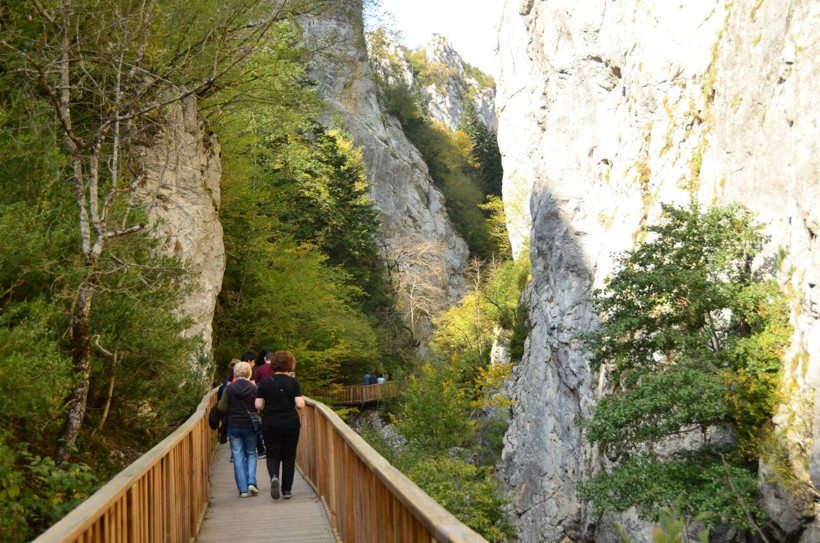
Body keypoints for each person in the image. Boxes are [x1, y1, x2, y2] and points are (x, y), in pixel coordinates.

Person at [255, 350, 304, 500]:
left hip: (271, 422)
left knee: (272, 453)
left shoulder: (265, 383)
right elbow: (300, 404)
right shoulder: (293, 382)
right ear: (290, 364)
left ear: (274, 364)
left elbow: (258, 404)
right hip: (290, 423)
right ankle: (287, 490)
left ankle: (274, 477)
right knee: (289, 456)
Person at [217, 361, 259, 498]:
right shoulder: (254, 389)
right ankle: (251, 482)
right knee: (252, 453)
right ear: (249, 373)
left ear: (235, 373)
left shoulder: (229, 389)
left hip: (233, 425)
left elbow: (221, 407)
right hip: (250, 425)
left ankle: (242, 490)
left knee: (237, 456)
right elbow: (259, 406)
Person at [240, 350, 266, 458]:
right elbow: (253, 387)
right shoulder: (250, 372)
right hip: (250, 406)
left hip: (237, 410)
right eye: (253, 362)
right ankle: (259, 451)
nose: (254, 364)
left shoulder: (236, 370)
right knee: (255, 428)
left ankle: (236, 454)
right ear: (249, 361)